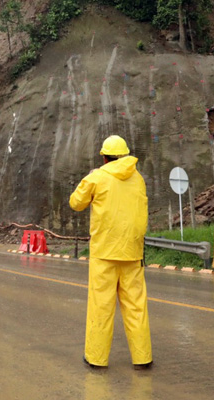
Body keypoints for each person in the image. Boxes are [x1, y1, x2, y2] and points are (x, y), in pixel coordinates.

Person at [69, 135, 152, 370]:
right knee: (136, 307)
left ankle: (96, 358)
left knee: (101, 306)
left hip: (104, 252)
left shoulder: (98, 177)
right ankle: (142, 357)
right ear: (125, 155)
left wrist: (90, 179)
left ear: (104, 157)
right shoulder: (138, 179)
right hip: (133, 252)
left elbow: (76, 203)